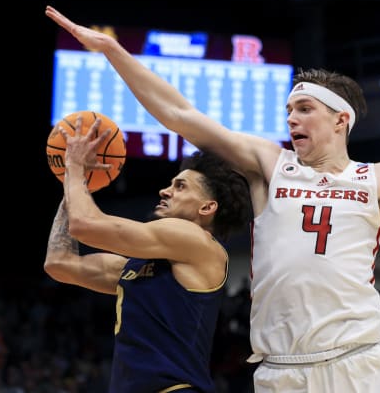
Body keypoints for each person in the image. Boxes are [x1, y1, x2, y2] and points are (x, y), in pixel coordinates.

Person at [45, 5, 380, 392]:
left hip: (363, 363)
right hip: (282, 371)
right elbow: (182, 115)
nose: (291, 118)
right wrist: (116, 52)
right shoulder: (269, 165)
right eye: (289, 110)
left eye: (303, 109)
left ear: (339, 118)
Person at [44, 114, 252, 393]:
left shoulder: (198, 242)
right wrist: (74, 181)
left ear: (207, 208)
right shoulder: (136, 268)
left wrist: (75, 168)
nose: (165, 191)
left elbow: (85, 225)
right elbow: (59, 263)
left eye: (180, 186)